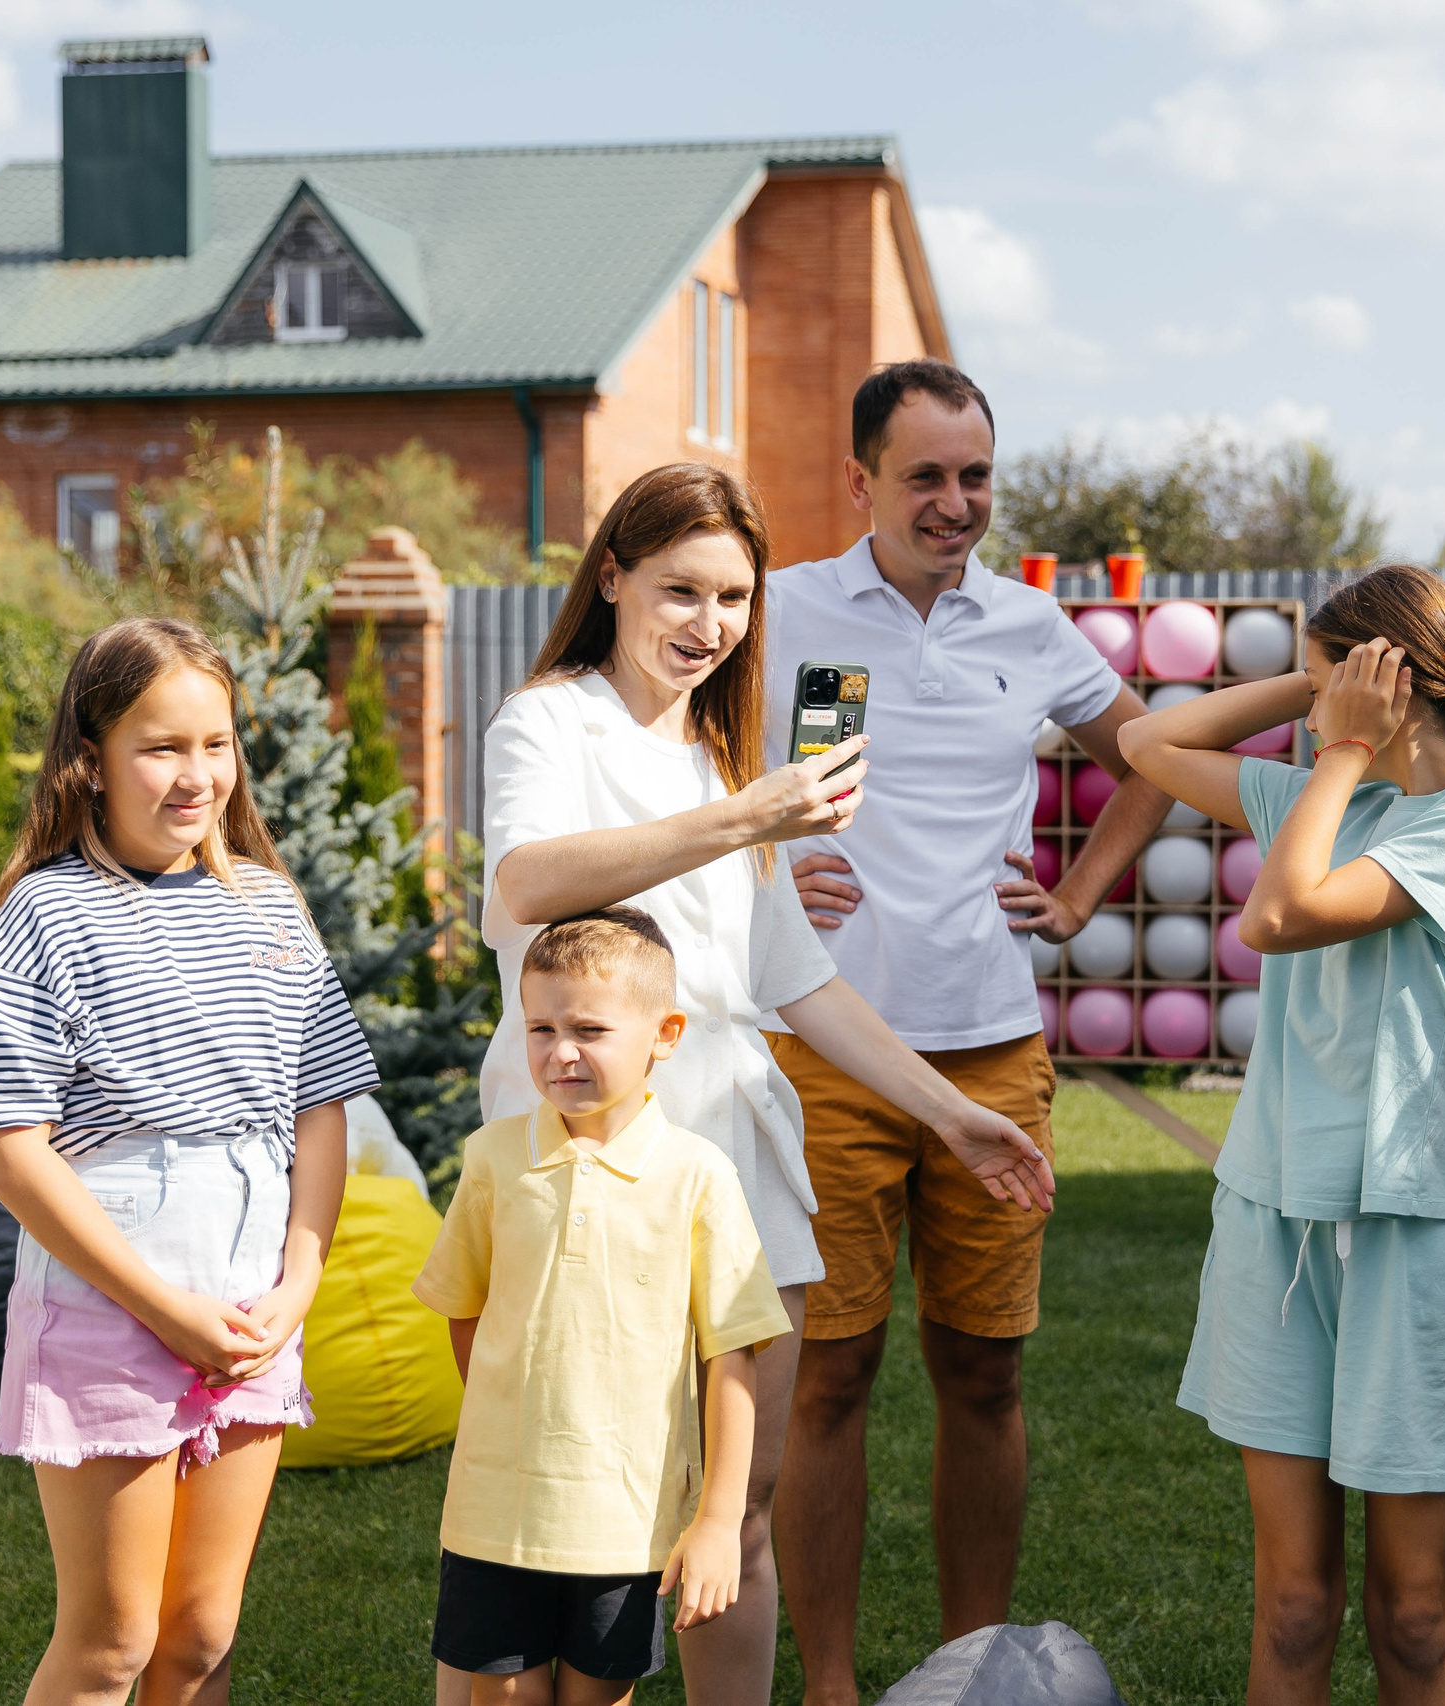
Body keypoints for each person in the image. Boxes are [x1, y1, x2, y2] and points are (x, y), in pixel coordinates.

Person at [480, 461, 1054, 1706]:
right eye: (681, 590)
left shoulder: (718, 750)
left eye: (734, 598)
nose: (709, 624)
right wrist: (750, 819)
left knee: (739, 1503)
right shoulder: (550, 721)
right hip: (591, 1141)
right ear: (613, 576)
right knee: (593, 1507)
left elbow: (801, 984)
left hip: (735, 1151)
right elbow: (527, 884)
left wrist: (952, 1114)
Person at [764, 359, 1170, 1703]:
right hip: (824, 1045)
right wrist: (754, 872)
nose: (955, 502)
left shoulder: (1029, 624)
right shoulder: (782, 615)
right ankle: (827, 1684)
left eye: (975, 475)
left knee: (982, 1375)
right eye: (926, 474)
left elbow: (1150, 759)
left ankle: (976, 1675)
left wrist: (1076, 893)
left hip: (993, 1045)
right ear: (860, 480)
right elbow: (681, 780)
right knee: (830, 1376)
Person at [1121, 565, 1445, 1705]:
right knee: (1290, 1601)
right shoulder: (1329, 798)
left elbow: (1278, 916)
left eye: (1339, 675)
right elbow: (1145, 743)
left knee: (1414, 1612)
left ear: (1391, 686)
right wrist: (1310, 687)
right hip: (1270, 1224)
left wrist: (1335, 744)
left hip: (1410, 1234)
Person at [0, 617, 378, 1706]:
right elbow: (7, 1147)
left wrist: (298, 1286)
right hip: (109, 1312)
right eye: (162, 746)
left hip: (252, 1314)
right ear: (88, 757)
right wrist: (165, 1309)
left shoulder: (271, 908)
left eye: (217, 744)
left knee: (198, 1634)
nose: (198, 776)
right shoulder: (43, 915)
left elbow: (320, 1105)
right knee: (115, 1640)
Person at [416, 908, 791, 1706]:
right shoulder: (490, 1160)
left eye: (589, 1028)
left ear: (665, 1033)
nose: (561, 1052)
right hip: (495, 1514)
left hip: (627, 1519)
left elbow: (732, 1356)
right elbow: (464, 1311)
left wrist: (719, 1520)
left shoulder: (699, 1176)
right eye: (541, 1028)